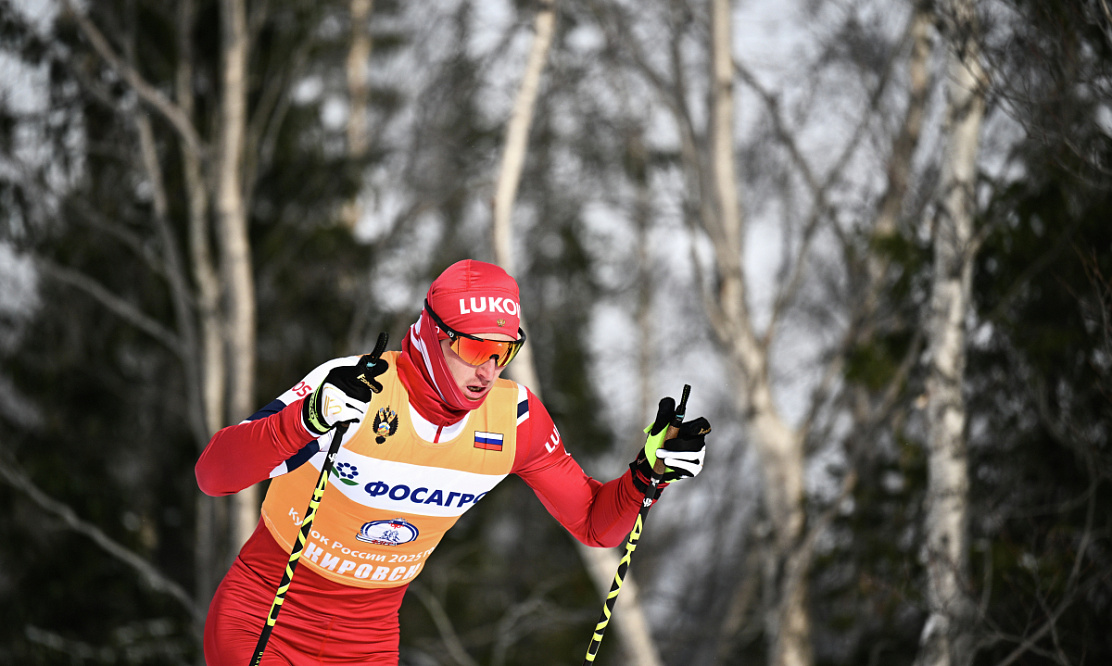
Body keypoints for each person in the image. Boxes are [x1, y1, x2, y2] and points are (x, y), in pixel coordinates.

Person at [196, 259, 710, 665]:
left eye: (502, 352)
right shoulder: (357, 386)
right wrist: (306, 419)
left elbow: (597, 524)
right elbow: (214, 475)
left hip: (368, 643)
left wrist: (648, 474)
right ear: (430, 335)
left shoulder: (515, 420)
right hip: (266, 616)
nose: (487, 369)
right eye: (473, 346)